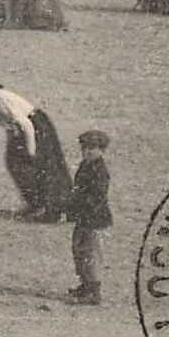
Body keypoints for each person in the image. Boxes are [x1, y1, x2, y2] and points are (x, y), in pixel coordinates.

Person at [0, 65, 71, 223]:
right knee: (14, 163)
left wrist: (32, 151)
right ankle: (35, 204)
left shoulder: (2, 98)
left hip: (37, 127)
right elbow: (5, 122)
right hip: (23, 131)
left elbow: (26, 124)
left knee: (42, 167)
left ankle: (53, 211)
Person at [66, 130, 112, 305]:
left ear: (102, 150)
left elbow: (98, 196)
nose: (87, 152)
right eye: (84, 148)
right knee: (79, 249)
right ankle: (85, 284)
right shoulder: (85, 165)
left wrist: (83, 207)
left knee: (90, 252)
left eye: (92, 148)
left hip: (93, 218)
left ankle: (93, 290)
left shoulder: (100, 170)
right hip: (83, 217)